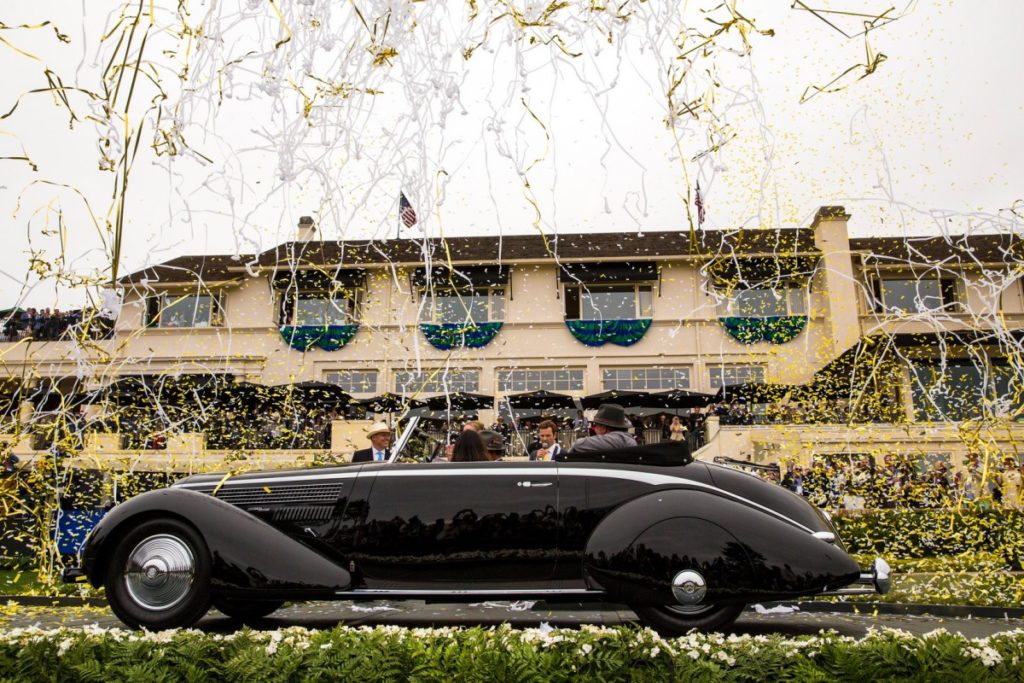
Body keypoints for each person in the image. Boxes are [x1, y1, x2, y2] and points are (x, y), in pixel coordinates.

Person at [565, 404, 636, 456]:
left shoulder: (619, 438)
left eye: (596, 425)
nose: (595, 429)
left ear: (603, 428)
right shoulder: (626, 438)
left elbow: (578, 444)